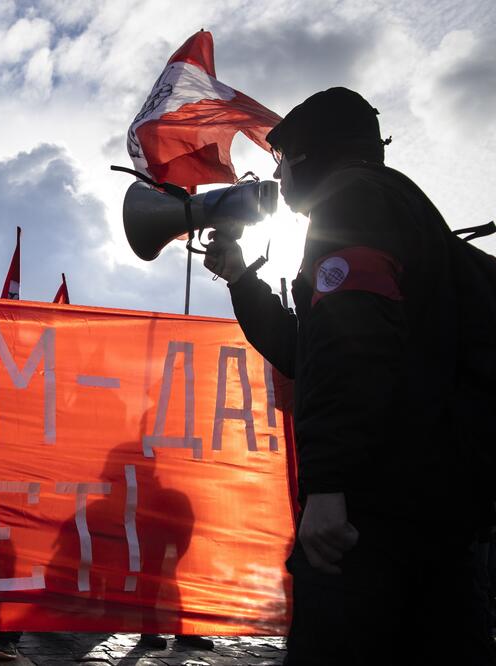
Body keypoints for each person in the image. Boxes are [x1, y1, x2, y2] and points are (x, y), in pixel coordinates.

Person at [203, 87, 496, 665]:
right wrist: (242, 279)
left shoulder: (352, 201)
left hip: (373, 513)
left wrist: (329, 485)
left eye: (282, 160)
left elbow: (349, 346)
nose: (279, 177)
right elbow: (307, 353)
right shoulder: (393, 204)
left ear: (309, 154)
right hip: (430, 505)